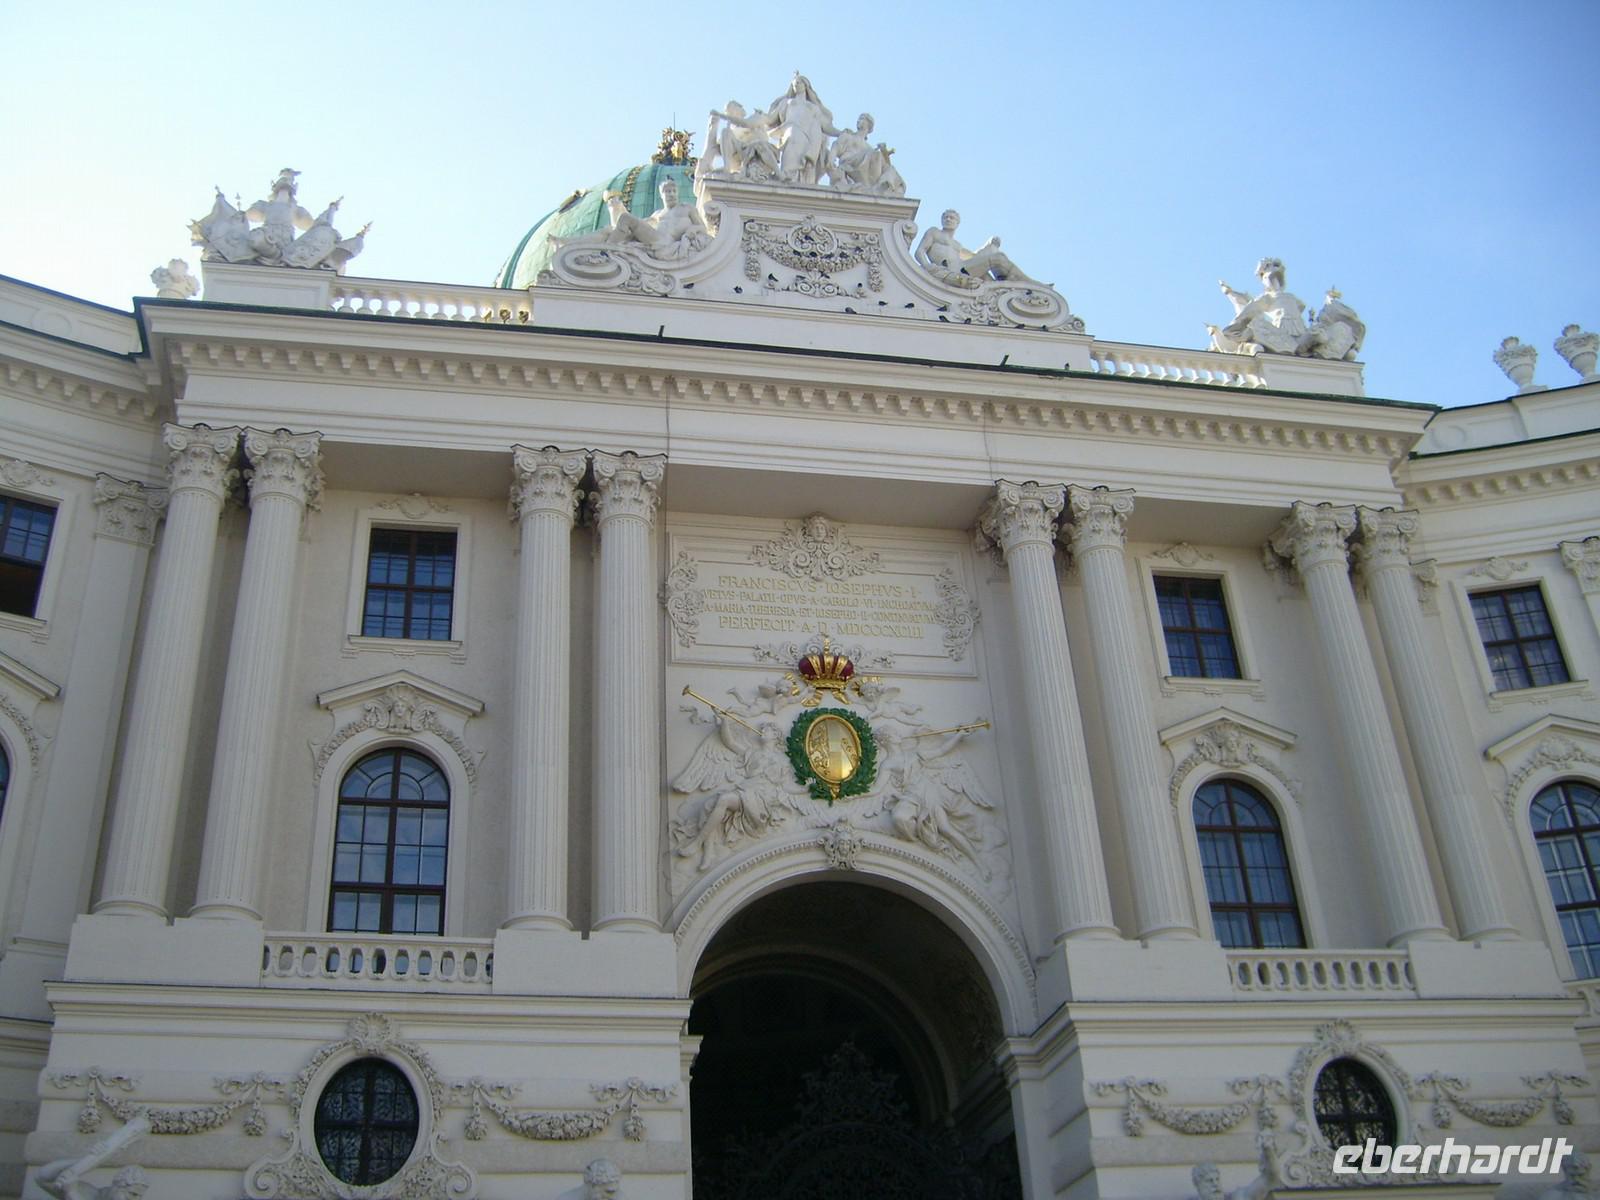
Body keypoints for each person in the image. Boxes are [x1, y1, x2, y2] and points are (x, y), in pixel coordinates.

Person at [566, 179, 709, 261]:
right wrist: (616, 208)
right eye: (667, 191)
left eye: (673, 191)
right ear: (661, 195)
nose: (671, 194)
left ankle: (606, 252)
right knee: (620, 223)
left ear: (678, 193)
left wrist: (693, 229)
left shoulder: (687, 208)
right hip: (656, 239)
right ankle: (593, 246)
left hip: (666, 243)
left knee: (626, 219)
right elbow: (638, 226)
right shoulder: (658, 214)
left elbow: (703, 228)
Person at [1209, 258, 1307, 356]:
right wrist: (1235, 326)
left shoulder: (1290, 297)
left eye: (1274, 278)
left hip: (1298, 328)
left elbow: (1300, 307)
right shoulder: (1267, 297)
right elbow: (1248, 311)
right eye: (1268, 278)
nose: (1273, 281)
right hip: (1282, 328)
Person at [36, 1115, 150, 1200]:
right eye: (133, 1194)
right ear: (116, 1186)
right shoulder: (91, 1193)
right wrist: (84, 1160)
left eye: (139, 1197)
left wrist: (71, 1193)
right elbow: (43, 1177)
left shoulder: (77, 1192)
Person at [915, 209, 1034, 286]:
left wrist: (989, 244)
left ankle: (1017, 286)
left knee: (993, 259)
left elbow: (973, 256)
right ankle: (1029, 284)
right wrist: (927, 266)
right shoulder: (934, 232)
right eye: (945, 217)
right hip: (952, 270)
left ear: (957, 223)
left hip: (963, 267)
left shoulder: (957, 245)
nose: (948, 219)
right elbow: (920, 251)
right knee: (998, 258)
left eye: (952, 218)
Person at [763, 73, 842, 185]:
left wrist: (840, 133)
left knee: (806, 167)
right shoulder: (786, 103)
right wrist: (757, 120)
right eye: (795, 84)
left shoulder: (813, 107)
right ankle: (788, 182)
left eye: (799, 82)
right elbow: (770, 119)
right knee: (789, 163)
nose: (797, 85)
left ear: (806, 86)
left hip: (808, 138)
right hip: (790, 135)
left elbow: (826, 126)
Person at [826, 113, 904, 195]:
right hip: (848, 164)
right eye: (859, 119)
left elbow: (883, 165)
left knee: (889, 167)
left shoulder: (868, 147)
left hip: (863, 169)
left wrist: (884, 152)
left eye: (862, 119)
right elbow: (836, 146)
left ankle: (878, 187)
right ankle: (874, 189)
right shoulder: (848, 136)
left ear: (869, 125)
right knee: (875, 154)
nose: (858, 121)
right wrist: (831, 158)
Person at [702, 101, 780, 181]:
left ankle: (779, 174)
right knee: (725, 132)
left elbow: (747, 124)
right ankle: (727, 167)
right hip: (741, 155)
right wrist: (712, 128)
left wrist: (721, 115)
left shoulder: (757, 116)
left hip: (760, 153)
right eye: (729, 111)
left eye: (733, 108)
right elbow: (717, 149)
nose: (730, 113)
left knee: (758, 145)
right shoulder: (733, 130)